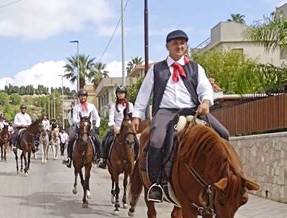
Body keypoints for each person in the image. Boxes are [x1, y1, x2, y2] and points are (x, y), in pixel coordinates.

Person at [131, 30, 229, 203]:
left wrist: (205, 103)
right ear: (167, 46)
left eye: (183, 43)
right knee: (156, 141)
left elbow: (205, 89)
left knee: (224, 134)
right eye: (175, 43)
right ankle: (157, 184)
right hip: (165, 112)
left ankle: (228, 178)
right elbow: (144, 94)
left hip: (192, 109)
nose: (179, 46)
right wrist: (137, 116)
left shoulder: (195, 68)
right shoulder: (156, 69)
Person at [98, 85, 136, 169]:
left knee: (136, 141)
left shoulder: (130, 105)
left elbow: (132, 118)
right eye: (119, 93)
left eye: (122, 93)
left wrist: (132, 128)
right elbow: (111, 119)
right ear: (117, 94)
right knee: (106, 140)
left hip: (127, 130)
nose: (121, 94)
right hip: (117, 129)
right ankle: (103, 159)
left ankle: (136, 159)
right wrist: (114, 128)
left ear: (125, 94)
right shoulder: (113, 106)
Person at [62, 88, 102, 168]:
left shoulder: (91, 106)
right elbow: (74, 119)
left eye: (84, 96)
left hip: (89, 129)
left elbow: (97, 117)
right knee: (71, 140)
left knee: (97, 140)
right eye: (81, 96)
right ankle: (69, 158)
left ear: (86, 97)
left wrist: (96, 125)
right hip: (79, 129)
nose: (82, 97)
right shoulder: (76, 108)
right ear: (79, 97)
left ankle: (99, 158)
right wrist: (81, 123)